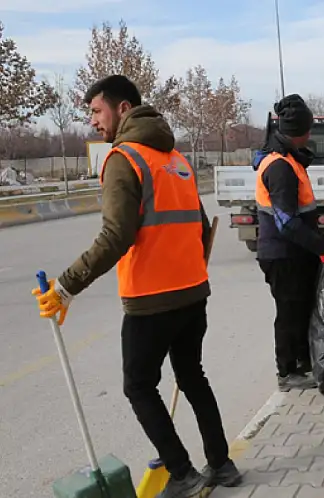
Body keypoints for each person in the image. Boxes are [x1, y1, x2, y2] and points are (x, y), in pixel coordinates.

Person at [31, 75, 241, 498]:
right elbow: (199, 228)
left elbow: (116, 236)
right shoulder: (176, 160)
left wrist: (66, 287)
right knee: (192, 376)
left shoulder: (123, 159)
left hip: (150, 300)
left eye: (96, 110)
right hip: (193, 294)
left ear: (122, 109)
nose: (92, 120)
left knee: (138, 385)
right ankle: (222, 464)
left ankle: (182, 473)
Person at [253, 94, 324, 392]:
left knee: (301, 309)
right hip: (283, 254)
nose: (311, 134)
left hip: (296, 253)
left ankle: (303, 363)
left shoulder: (290, 160)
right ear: (299, 131)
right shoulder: (280, 168)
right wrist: (322, 247)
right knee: (289, 312)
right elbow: (287, 222)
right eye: (309, 129)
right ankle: (287, 372)